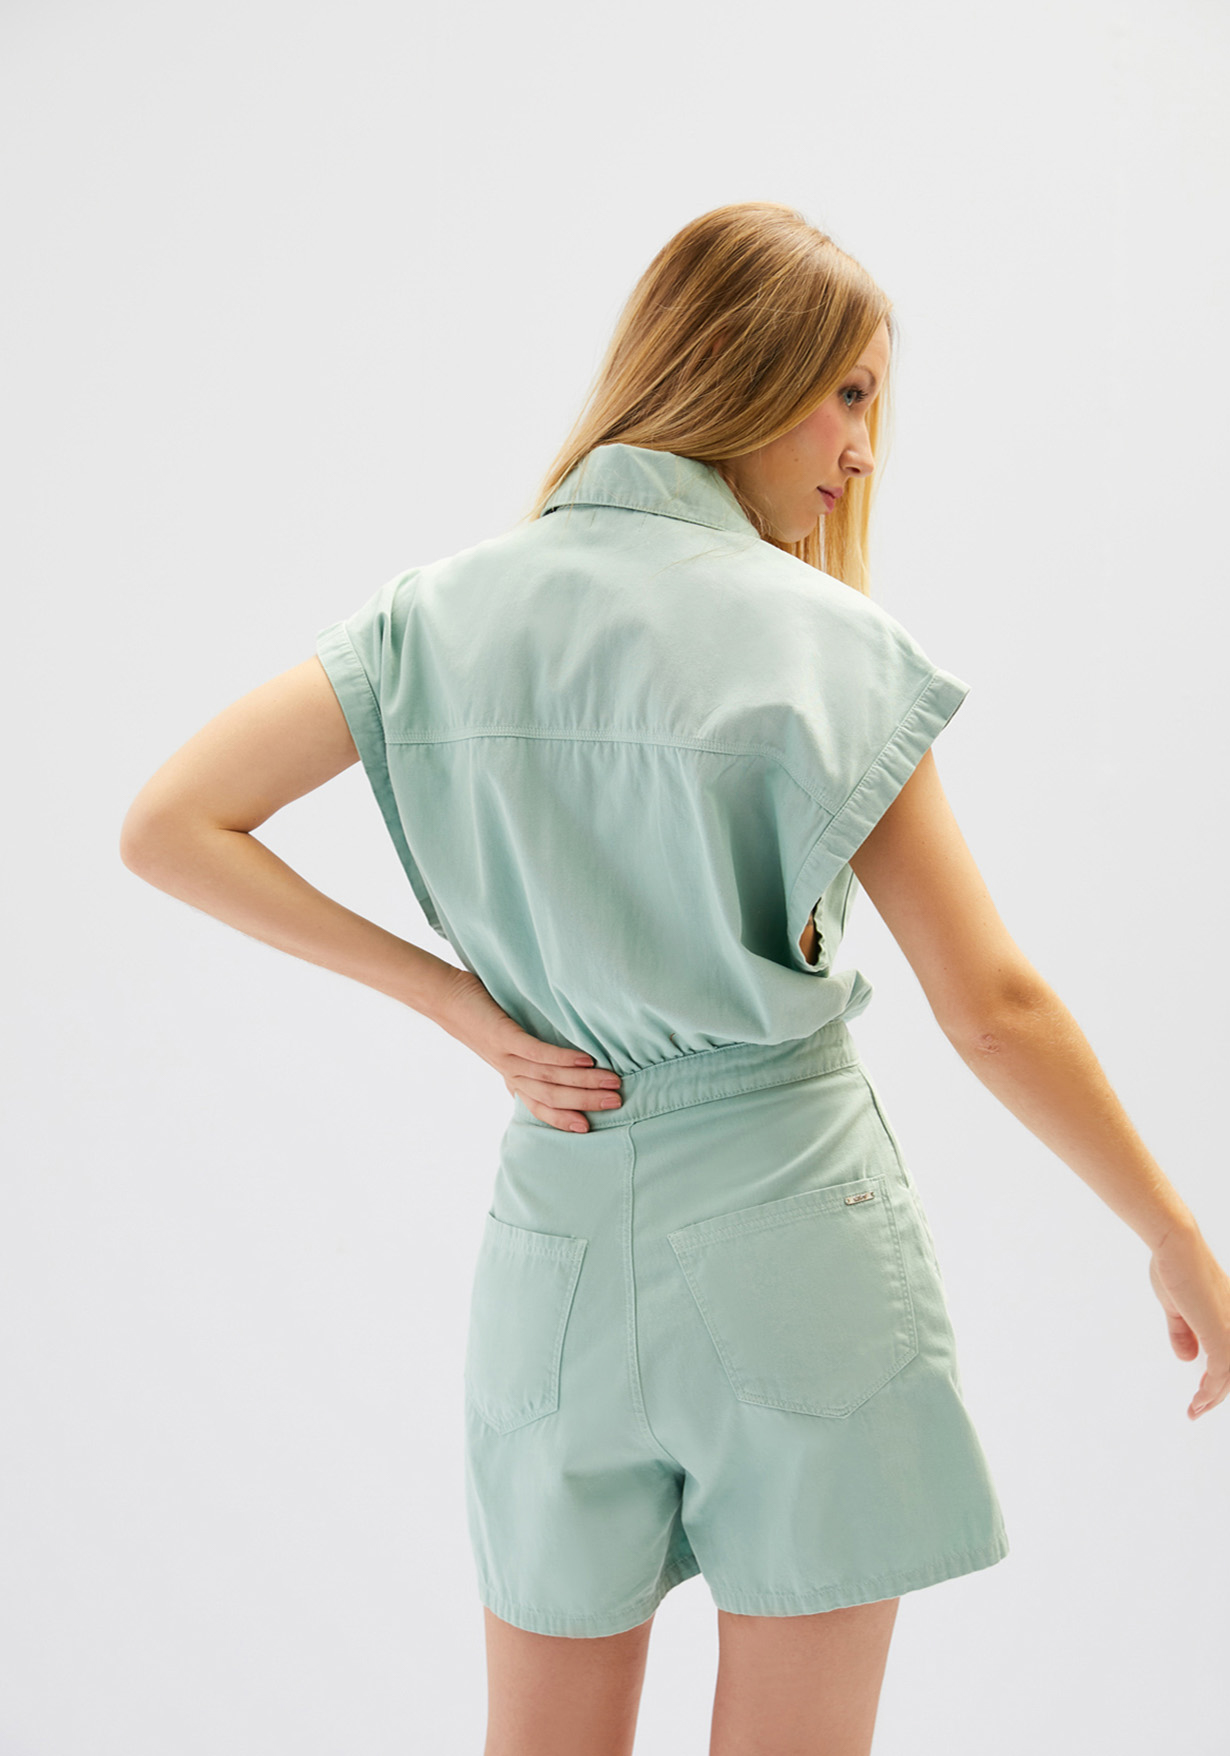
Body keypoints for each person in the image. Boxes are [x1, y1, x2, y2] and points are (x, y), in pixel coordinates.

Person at [120, 201, 1230, 1756]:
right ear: (742, 367)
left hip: (556, 1235)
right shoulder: (828, 645)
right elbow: (992, 1008)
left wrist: (457, 1006)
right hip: (793, 1229)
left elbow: (169, 826)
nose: (863, 450)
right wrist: (1171, 1233)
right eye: (846, 393)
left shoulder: (436, 615)